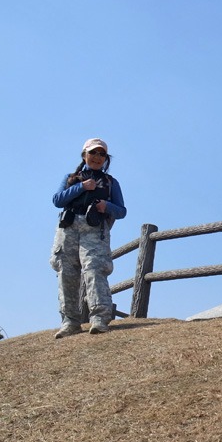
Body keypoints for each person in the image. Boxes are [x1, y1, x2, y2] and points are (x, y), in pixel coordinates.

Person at [50, 138, 127, 338]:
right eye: (93, 153)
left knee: (95, 270)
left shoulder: (111, 182)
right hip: (67, 229)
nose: (97, 157)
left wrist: (106, 207)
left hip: (95, 230)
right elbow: (57, 200)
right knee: (66, 273)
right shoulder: (71, 178)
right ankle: (70, 323)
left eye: (102, 154)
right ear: (84, 155)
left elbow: (122, 211)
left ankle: (99, 319)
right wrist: (82, 187)